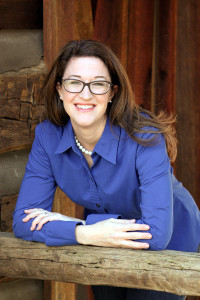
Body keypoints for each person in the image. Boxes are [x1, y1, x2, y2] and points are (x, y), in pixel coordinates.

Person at [13, 40, 200, 300]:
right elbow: (23, 221)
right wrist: (85, 233)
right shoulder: (47, 137)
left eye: (98, 84)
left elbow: (156, 235)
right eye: (74, 82)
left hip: (168, 229)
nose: (85, 94)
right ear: (59, 89)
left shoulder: (144, 136)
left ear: (112, 92)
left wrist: (77, 224)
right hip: (100, 236)